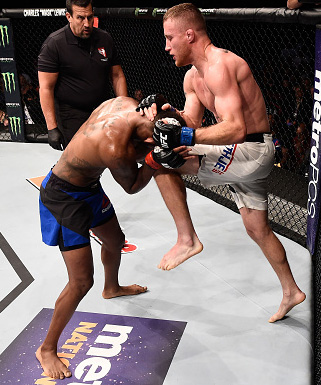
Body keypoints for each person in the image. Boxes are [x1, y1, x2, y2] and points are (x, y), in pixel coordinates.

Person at [137, 3, 306, 323]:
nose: (166, 46)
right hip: (237, 154)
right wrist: (164, 113)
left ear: (189, 35)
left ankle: (187, 239)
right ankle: (291, 291)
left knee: (163, 157)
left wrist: (178, 137)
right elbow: (190, 120)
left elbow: (235, 128)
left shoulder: (222, 65)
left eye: (170, 38)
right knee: (257, 228)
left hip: (254, 150)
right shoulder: (193, 77)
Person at [37, 95, 200, 379]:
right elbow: (133, 185)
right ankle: (47, 349)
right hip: (63, 197)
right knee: (81, 281)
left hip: (88, 186)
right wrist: (152, 161)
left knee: (115, 240)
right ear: (151, 141)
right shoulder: (115, 147)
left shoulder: (128, 104)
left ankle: (111, 288)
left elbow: (156, 112)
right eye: (154, 145)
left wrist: (161, 106)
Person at [38, 0, 128, 151]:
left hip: (102, 109)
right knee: (78, 162)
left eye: (90, 17)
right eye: (80, 18)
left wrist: (123, 110)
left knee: (109, 155)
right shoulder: (55, 44)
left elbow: (117, 76)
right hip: (71, 114)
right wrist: (51, 128)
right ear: (69, 16)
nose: (87, 23)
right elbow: (46, 87)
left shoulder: (104, 38)